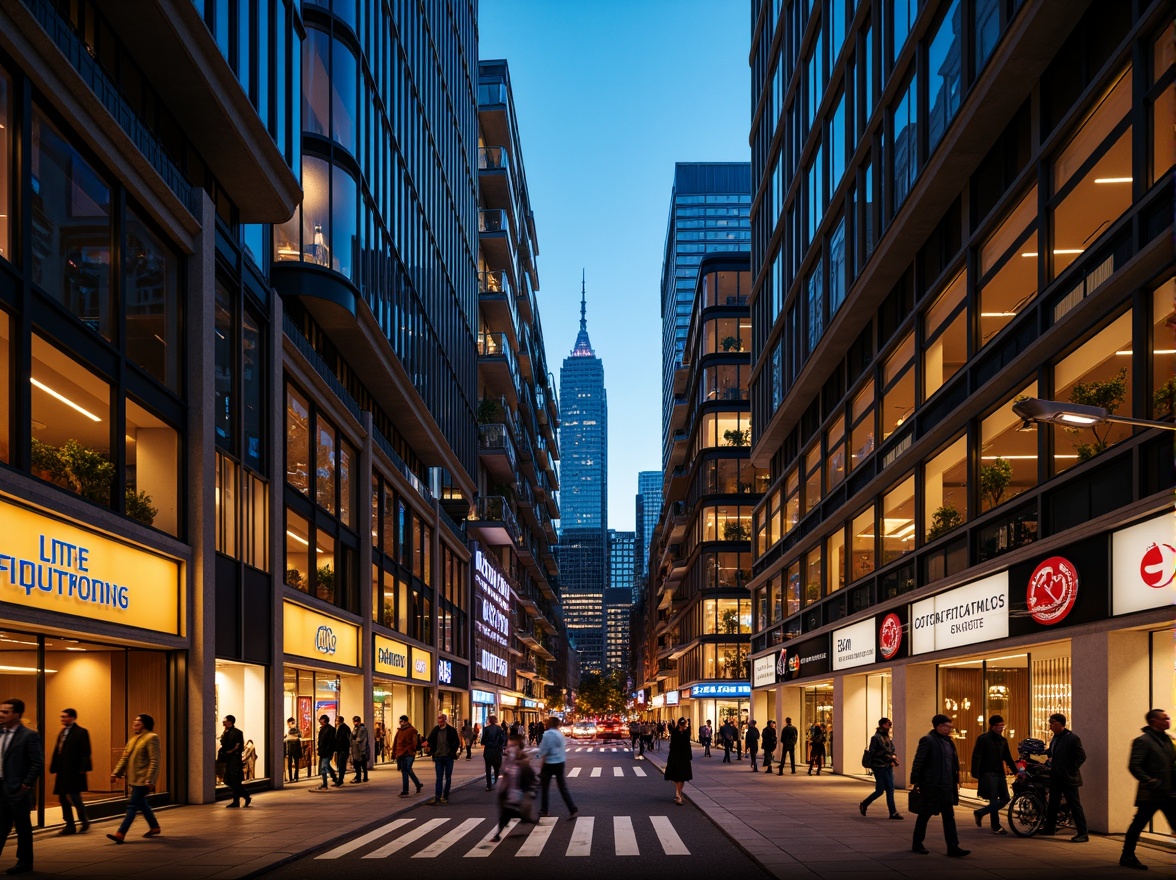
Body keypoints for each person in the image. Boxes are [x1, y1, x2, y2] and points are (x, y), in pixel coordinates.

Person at [1120, 709, 1176, 870]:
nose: (1168, 721)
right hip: (1151, 794)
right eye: (1164, 718)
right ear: (1153, 721)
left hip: (1168, 792)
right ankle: (1127, 856)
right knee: (1138, 825)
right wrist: (1150, 781)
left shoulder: (1167, 740)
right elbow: (1134, 766)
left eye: (1168, 718)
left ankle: (1127, 855)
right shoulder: (1143, 741)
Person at [909, 713, 969, 858]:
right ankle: (917, 843)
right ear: (938, 726)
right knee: (925, 814)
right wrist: (916, 781)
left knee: (949, 817)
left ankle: (953, 847)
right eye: (947, 726)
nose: (949, 729)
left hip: (947, 786)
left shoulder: (948, 742)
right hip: (932, 785)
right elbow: (919, 761)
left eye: (950, 726)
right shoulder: (928, 740)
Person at [0, 698, 42, 873]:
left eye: (5, 712)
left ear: (17, 714)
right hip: (0, 787)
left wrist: (26, 784)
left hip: (17, 789)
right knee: (1, 825)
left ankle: (25, 863)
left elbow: (37, 762)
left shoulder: (29, 735)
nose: (1, 715)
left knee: (22, 827)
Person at [106, 713, 161, 845]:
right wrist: (115, 773)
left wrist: (150, 780)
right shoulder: (133, 739)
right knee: (142, 804)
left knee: (132, 806)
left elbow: (155, 760)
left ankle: (121, 833)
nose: (134, 722)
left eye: (138, 721)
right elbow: (125, 758)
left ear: (145, 724)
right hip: (133, 779)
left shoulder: (152, 737)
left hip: (143, 780)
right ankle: (154, 827)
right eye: (135, 720)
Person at [1042, 713, 1088, 842]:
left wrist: (1071, 770)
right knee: (1053, 804)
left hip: (1068, 778)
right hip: (1056, 776)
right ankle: (1049, 828)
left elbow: (1081, 756)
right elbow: (1051, 752)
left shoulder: (1072, 738)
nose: (1050, 726)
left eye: (1052, 723)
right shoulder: (1055, 738)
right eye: (1049, 723)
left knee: (1074, 805)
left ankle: (1083, 833)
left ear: (1060, 724)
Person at [970, 715, 1016, 834]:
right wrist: (976, 773)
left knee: (1005, 798)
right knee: (993, 799)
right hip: (987, 773)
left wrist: (1016, 772)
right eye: (998, 726)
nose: (1000, 728)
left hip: (999, 773)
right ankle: (995, 826)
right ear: (992, 726)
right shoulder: (983, 739)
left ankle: (981, 812)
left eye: (1002, 726)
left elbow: (1008, 757)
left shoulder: (1003, 741)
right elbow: (977, 756)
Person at [50, 708, 92, 835]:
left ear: (72, 717)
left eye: (64, 717)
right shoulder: (62, 732)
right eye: (61, 717)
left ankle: (83, 819)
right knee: (63, 798)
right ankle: (70, 825)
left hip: (75, 771)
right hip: (63, 772)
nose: (62, 719)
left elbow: (86, 752)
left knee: (74, 797)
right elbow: (57, 751)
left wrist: (82, 769)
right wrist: (54, 767)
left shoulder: (81, 732)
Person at [491, 733, 538, 841]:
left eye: (512, 746)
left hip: (517, 793)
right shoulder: (509, 760)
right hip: (508, 792)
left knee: (510, 813)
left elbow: (531, 778)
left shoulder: (523, 762)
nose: (508, 749)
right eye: (508, 746)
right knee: (506, 813)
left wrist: (531, 791)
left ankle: (498, 834)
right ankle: (499, 833)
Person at [859, 717, 903, 819]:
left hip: (887, 765)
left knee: (887, 789)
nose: (890, 727)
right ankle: (892, 812)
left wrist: (894, 757)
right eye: (888, 724)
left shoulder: (887, 737)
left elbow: (891, 750)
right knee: (883, 790)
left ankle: (891, 812)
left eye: (890, 725)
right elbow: (874, 752)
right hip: (879, 766)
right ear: (882, 725)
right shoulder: (876, 737)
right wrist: (889, 757)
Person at [537, 716, 578, 819]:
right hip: (560, 762)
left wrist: (540, 759)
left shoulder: (547, 734)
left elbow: (544, 750)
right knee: (562, 787)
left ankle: (544, 810)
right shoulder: (560, 734)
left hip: (549, 763)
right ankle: (572, 808)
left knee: (545, 788)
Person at [424, 713, 460, 805]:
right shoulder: (436, 730)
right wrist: (430, 749)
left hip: (448, 757)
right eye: (438, 721)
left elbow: (456, 742)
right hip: (438, 757)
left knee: (448, 777)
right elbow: (430, 740)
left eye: (441, 721)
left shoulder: (451, 730)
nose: (439, 723)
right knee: (439, 778)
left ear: (445, 721)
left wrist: (452, 753)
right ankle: (438, 796)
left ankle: (445, 796)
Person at [219, 715, 251, 808]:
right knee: (228, 780)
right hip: (228, 759)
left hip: (235, 760)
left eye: (225, 720)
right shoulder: (225, 732)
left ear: (230, 722)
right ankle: (242, 796)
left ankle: (242, 797)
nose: (223, 722)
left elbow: (238, 746)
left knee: (234, 780)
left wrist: (231, 751)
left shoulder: (237, 732)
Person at [664, 717, 693, 805]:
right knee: (677, 777)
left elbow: (688, 745)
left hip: (684, 758)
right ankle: (678, 794)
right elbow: (674, 746)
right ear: (681, 725)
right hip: (676, 757)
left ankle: (678, 794)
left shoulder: (686, 733)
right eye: (685, 725)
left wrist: (689, 756)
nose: (686, 726)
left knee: (681, 777)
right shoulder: (675, 733)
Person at [391, 715, 423, 798]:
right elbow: (395, 742)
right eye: (400, 721)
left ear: (406, 721)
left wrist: (410, 749)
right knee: (405, 771)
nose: (400, 723)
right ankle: (417, 785)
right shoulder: (399, 731)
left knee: (407, 769)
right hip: (401, 753)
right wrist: (394, 753)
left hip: (409, 753)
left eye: (401, 721)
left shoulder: (412, 730)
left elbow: (414, 742)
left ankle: (406, 790)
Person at [481, 714, 507, 791]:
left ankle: (489, 785)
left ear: (489, 720)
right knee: (496, 769)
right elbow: (503, 740)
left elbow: (483, 741)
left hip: (488, 751)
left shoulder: (486, 729)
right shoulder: (499, 729)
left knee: (488, 769)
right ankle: (496, 782)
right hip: (496, 751)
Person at [315, 714, 338, 790]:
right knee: (326, 766)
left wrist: (328, 749)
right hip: (323, 751)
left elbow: (331, 741)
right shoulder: (323, 729)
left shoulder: (330, 729)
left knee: (323, 767)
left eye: (321, 719)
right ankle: (334, 777)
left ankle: (325, 784)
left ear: (324, 720)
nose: (320, 720)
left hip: (327, 751)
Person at [333, 716, 352, 787]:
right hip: (342, 749)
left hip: (343, 749)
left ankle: (340, 780)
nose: (336, 722)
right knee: (340, 764)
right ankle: (339, 780)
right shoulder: (343, 728)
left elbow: (343, 739)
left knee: (341, 765)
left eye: (337, 720)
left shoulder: (343, 728)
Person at [350, 716, 370, 783]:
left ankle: (360, 777)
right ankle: (362, 777)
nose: (355, 723)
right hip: (356, 750)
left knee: (360, 764)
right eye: (354, 721)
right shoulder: (355, 729)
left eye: (357, 721)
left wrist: (363, 751)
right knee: (360, 764)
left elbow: (360, 739)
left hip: (361, 750)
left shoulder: (362, 729)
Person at [284, 718, 303, 782]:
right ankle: (290, 777)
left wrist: (294, 727)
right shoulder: (288, 730)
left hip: (295, 746)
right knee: (289, 763)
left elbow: (299, 735)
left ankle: (296, 777)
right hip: (290, 746)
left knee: (296, 762)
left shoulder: (295, 729)